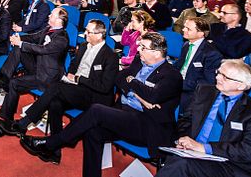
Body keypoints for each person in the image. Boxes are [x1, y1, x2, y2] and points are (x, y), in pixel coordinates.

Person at [19, 32, 182, 175]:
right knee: (93, 132)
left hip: (147, 125)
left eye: (143, 47)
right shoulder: (139, 62)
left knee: (96, 110)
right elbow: (119, 78)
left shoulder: (172, 76)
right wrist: (140, 95)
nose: (138, 50)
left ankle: (51, 143)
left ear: (157, 52)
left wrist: (133, 85)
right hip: (124, 114)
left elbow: (153, 96)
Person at [0, 19, 118, 139]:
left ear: (99, 35)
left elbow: (105, 87)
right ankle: (54, 149)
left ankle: (23, 124)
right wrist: (71, 75)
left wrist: (78, 79)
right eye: (85, 30)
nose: (85, 34)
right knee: (54, 103)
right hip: (75, 87)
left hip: (93, 95)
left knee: (56, 87)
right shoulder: (84, 46)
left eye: (88, 32)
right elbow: (74, 64)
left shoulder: (110, 56)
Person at [158, 60, 251, 177]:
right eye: (219, 72)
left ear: (241, 85)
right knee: (173, 158)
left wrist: (205, 148)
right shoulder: (204, 91)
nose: (218, 77)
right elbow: (186, 120)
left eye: (225, 77)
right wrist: (183, 140)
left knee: (180, 164)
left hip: (230, 163)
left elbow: (249, 151)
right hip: (193, 153)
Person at [0, 9, 69, 122]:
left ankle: (6, 119)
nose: (49, 15)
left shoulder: (62, 38)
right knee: (19, 48)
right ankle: (4, 77)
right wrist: (19, 39)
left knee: (14, 83)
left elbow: (43, 49)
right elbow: (33, 37)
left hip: (47, 76)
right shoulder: (48, 28)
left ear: (59, 21)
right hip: (39, 66)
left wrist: (21, 43)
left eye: (52, 14)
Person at [174, 17, 222, 112]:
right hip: (179, 83)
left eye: (188, 29)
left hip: (192, 91)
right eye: (184, 27)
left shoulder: (211, 53)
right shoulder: (186, 45)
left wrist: (180, 84)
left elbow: (208, 81)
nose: (183, 30)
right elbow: (178, 65)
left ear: (200, 34)